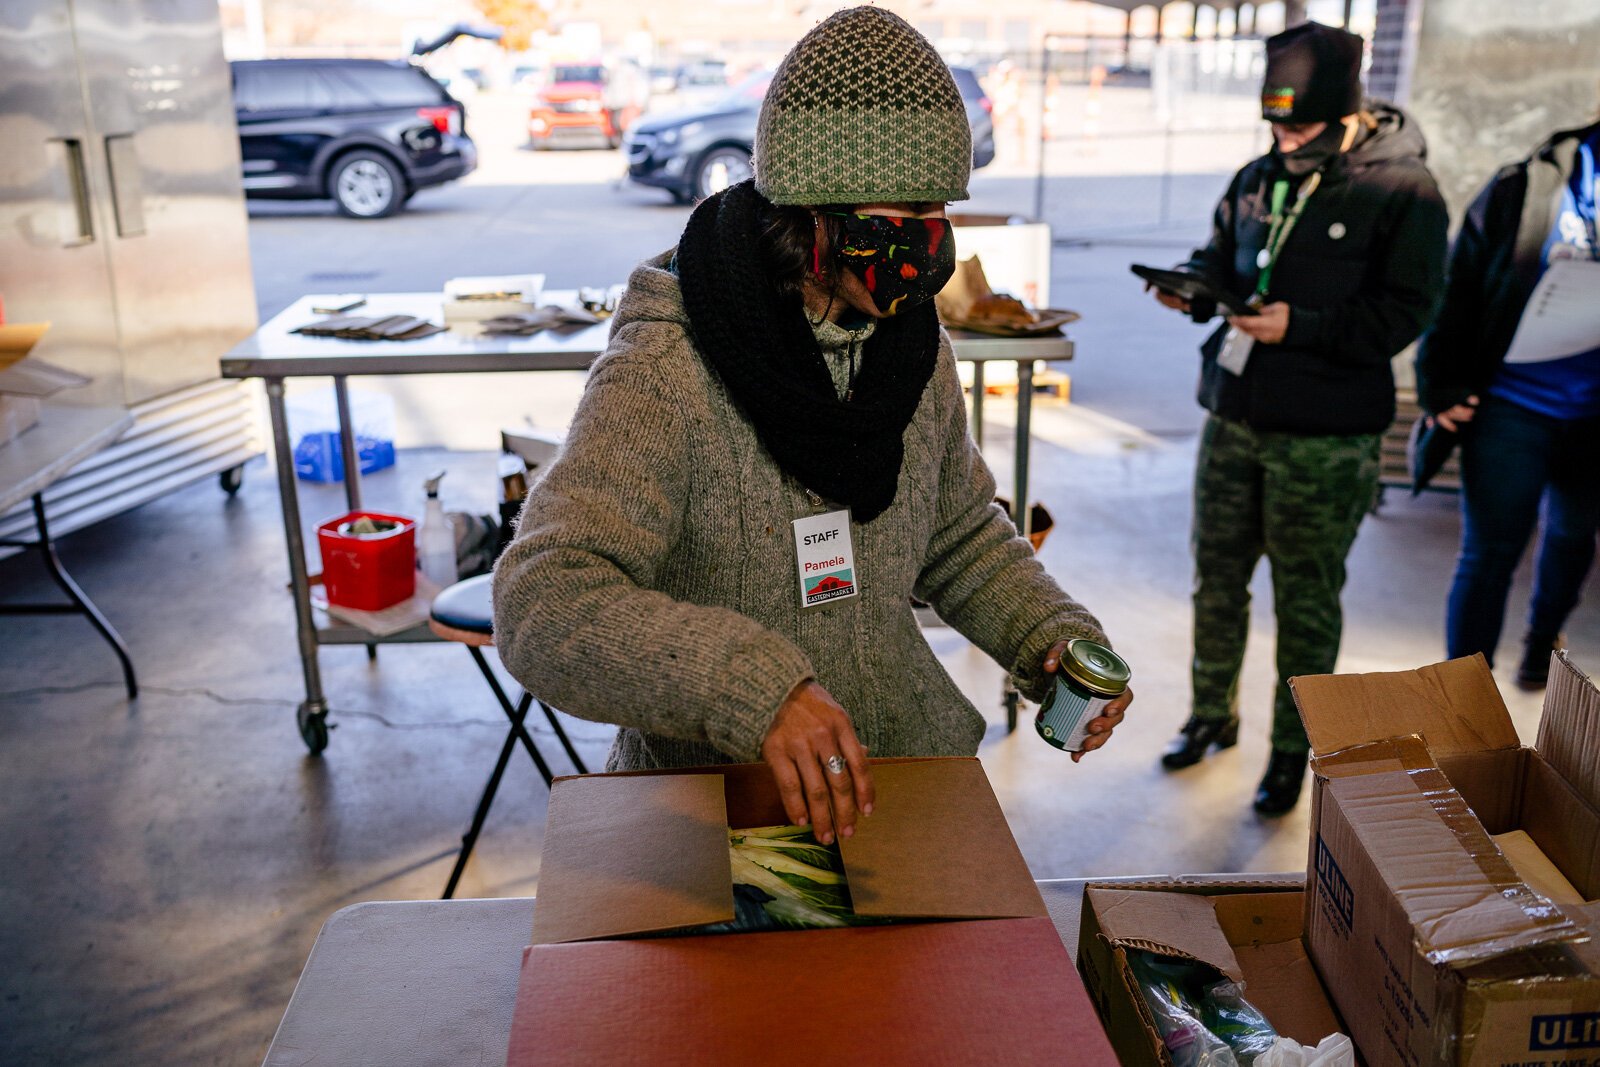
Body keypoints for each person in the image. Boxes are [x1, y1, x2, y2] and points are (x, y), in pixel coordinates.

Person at [492, 7, 1131, 846]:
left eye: (940, 209)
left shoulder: (909, 348)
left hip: (893, 779)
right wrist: (749, 689)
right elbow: (545, 598)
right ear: (809, 215)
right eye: (903, 217)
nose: (931, 245)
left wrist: (1046, 635)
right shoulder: (669, 368)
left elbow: (959, 533)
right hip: (712, 812)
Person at [1148, 22, 1447, 815]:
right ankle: (1211, 714)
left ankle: (1292, 751)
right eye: (1275, 125)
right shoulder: (1258, 175)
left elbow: (1406, 311)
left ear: (1347, 112)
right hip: (1234, 419)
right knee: (1217, 580)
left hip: (1325, 436)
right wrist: (1192, 285)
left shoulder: (1404, 192)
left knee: (1305, 601)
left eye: (1301, 127)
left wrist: (1302, 326)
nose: (1285, 140)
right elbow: (1221, 255)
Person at [1415, 116, 1600, 689]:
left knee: (1573, 536)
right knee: (1489, 553)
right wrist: (1439, 386)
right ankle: (1464, 695)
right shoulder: (1529, 184)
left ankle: (1543, 640)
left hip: (1594, 415)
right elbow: (1459, 285)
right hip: (1509, 405)